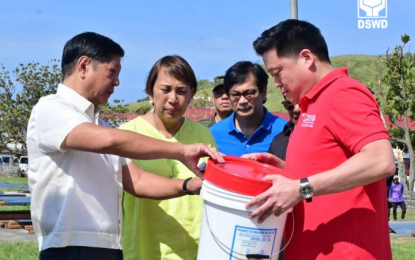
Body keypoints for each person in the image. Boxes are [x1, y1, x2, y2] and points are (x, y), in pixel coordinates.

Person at [26, 32, 223, 260]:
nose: (117, 82)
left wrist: (191, 185)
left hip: (109, 247)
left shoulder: (101, 123)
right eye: (112, 72)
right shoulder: (51, 108)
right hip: (69, 246)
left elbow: (137, 181)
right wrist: (180, 150)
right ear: (84, 65)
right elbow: (110, 141)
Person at [244, 20, 395, 260]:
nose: (277, 84)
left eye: (277, 72)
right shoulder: (310, 105)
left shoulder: (343, 93)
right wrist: (283, 170)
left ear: (306, 58)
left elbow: (380, 160)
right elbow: (324, 171)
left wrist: (299, 187)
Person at [120, 55, 217, 260]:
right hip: (144, 249)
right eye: (165, 90)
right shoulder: (127, 134)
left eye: (182, 91)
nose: (173, 99)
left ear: (192, 94)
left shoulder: (203, 135)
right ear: (150, 91)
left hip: (194, 249)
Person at [210, 61, 287, 156]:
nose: (242, 101)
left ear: (263, 92)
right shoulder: (213, 134)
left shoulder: (285, 132)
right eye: (235, 95)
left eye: (249, 93)